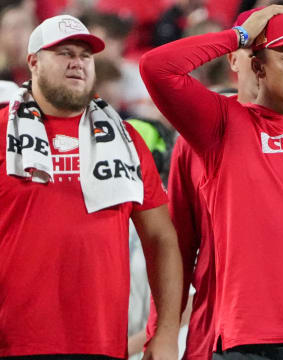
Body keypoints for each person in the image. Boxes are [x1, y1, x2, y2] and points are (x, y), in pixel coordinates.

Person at [140, 4, 283, 359]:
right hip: (252, 340)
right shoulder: (222, 126)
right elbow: (157, 68)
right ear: (257, 66)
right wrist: (238, 37)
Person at [0, 14, 183, 360]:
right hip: (14, 344)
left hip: (102, 346)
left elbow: (161, 238)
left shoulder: (127, 141)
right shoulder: (1, 132)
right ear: (33, 62)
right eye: (64, 53)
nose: (77, 63)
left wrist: (166, 333)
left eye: (85, 56)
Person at [146, 9, 260, 360]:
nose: (265, 65)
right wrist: (161, 332)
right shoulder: (199, 135)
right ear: (235, 60)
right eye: (256, 52)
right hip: (222, 330)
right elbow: (178, 242)